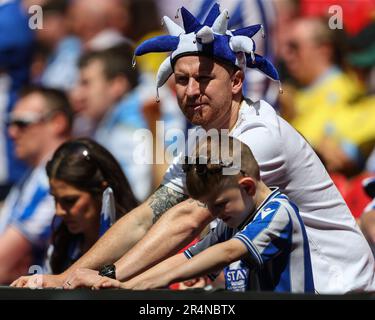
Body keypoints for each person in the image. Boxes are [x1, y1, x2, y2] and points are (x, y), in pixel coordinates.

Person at [12, 4, 375, 293]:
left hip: (341, 288)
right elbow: (148, 215)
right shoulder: (207, 142)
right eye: (181, 80)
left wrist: (104, 277)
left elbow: (187, 218)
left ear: (236, 81)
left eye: (203, 78)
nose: (190, 90)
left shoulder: (258, 134)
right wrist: (76, 275)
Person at [92, 135, 314, 293]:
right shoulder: (233, 220)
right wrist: (127, 285)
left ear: (247, 187)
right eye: (208, 206)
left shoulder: (278, 212)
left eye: (219, 204)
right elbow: (186, 259)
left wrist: (149, 282)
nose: (215, 215)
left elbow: (228, 252)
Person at [0, 86, 72, 284]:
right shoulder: (32, 176)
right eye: (9, 123)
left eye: (22, 123)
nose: (11, 132)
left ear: (57, 122)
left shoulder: (55, 180)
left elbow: (1, 264)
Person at [44, 138, 138, 274]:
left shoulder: (140, 245)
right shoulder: (60, 249)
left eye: (70, 200)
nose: (59, 211)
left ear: (103, 193)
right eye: (55, 199)